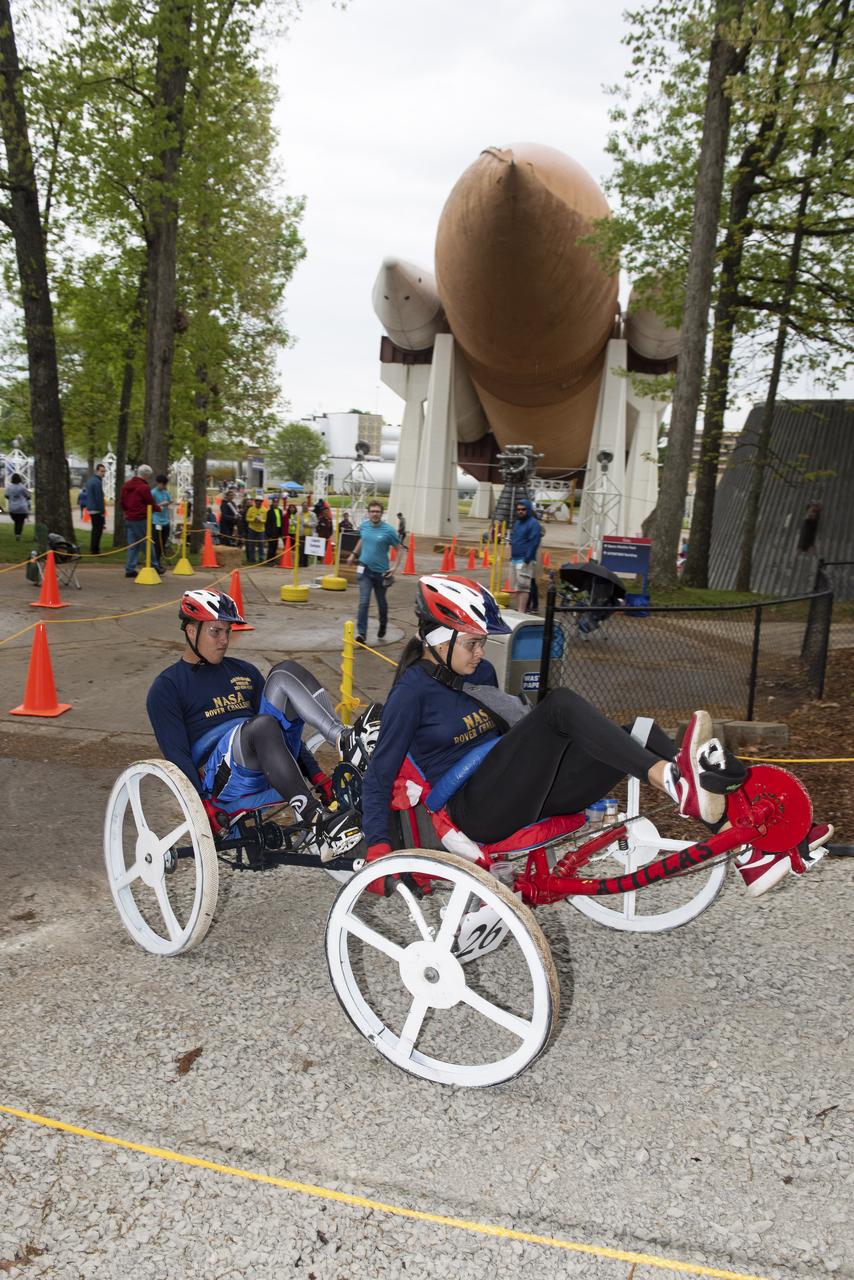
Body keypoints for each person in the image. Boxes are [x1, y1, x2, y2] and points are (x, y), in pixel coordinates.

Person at [361, 575, 833, 899]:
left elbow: (511, 728)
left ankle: (749, 843)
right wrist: (377, 844)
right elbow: (380, 773)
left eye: (482, 640)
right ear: (437, 640)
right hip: (475, 808)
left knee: (639, 732)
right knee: (561, 704)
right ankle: (674, 782)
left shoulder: (477, 672)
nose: (481, 651)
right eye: (472, 641)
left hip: (515, 788)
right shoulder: (412, 693)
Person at [146, 589, 383, 861]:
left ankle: (343, 738)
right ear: (190, 631)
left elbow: (276, 735)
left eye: (228, 631)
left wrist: (318, 776)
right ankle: (314, 818)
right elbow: (176, 755)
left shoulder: (243, 671)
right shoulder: (168, 687)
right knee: (263, 725)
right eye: (216, 632)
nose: (224, 640)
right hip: (224, 777)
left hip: (268, 753)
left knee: (284, 672)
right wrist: (202, 805)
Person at [347, 500, 400, 644]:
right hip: (364, 570)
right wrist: (353, 554)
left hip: (381, 573)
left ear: (382, 513)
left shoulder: (389, 531)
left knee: (381, 603)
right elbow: (363, 540)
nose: (375, 514)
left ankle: (383, 623)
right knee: (363, 602)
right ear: (368, 513)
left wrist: (394, 567)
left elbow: (400, 549)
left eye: (377, 511)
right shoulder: (364, 526)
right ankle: (362, 633)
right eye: (372, 511)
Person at [119, 464, 159, 577]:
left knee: (133, 544)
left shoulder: (127, 485)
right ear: (146, 475)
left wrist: (126, 511)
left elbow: (122, 501)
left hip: (129, 518)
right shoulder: (144, 487)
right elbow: (150, 502)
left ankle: (130, 568)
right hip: (140, 518)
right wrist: (158, 508)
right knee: (146, 542)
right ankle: (154, 565)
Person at [509, 497, 543, 613]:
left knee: (524, 587)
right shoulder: (517, 523)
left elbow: (534, 542)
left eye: (523, 509)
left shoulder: (533, 524)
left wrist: (527, 559)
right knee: (518, 587)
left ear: (528, 510)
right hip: (515, 559)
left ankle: (522, 610)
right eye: (518, 509)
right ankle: (520, 609)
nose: (520, 511)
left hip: (524, 560)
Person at [150, 473, 173, 570]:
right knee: (157, 544)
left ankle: (158, 562)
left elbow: (170, 500)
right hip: (156, 521)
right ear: (158, 483)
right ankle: (155, 563)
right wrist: (160, 504)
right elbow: (151, 506)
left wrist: (168, 502)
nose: (164, 486)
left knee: (163, 543)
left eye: (165, 485)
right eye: (162, 484)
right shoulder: (153, 493)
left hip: (165, 521)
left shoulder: (165, 492)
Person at [84, 463, 107, 555]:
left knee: (95, 529)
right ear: (97, 471)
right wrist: (102, 511)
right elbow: (99, 498)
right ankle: (95, 549)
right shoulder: (97, 482)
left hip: (91, 508)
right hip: (97, 509)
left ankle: (93, 548)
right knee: (98, 530)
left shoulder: (90, 481)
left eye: (104, 471)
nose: (103, 473)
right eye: (102, 471)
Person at [4, 473, 31, 540]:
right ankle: (18, 534)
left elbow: (6, 495)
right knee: (20, 521)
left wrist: (12, 499)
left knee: (16, 521)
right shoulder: (22, 487)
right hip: (22, 507)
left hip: (12, 507)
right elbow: (28, 496)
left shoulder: (9, 487)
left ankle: (17, 533)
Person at [244, 491, 267, 563]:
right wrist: (253, 519)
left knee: (261, 545)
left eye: (260, 501)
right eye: (257, 501)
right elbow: (247, 518)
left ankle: (261, 559)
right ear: (255, 501)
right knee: (251, 545)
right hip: (252, 529)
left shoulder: (264, 510)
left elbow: (265, 520)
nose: (258, 502)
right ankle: (252, 559)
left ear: (262, 502)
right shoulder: (251, 509)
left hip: (261, 530)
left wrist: (261, 521)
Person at [265, 493, 284, 561]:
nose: (276, 503)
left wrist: (281, 532)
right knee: (271, 546)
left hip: (278, 530)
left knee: (275, 546)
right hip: (272, 531)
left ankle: (273, 559)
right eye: (274, 502)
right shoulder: (269, 512)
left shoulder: (280, 511)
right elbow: (267, 524)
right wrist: (268, 534)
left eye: (277, 502)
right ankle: (269, 560)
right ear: (272, 503)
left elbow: (281, 521)